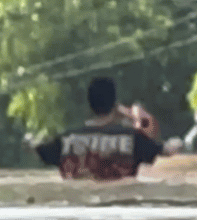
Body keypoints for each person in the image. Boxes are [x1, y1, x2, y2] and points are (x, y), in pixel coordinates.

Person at [30, 77, 179, 181]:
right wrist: (140, 118)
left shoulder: (64, 140)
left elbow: (36, 149)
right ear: (115, 105)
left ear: (89, 105)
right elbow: (167, 150)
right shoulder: (132, 139)